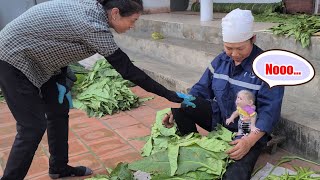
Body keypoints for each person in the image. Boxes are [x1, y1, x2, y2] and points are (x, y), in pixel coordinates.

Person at [0, 0, 194, 179]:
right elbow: (129, 71)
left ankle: (59, 167)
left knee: (58, 111)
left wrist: (61, 77)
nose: (132, 26)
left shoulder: (93, 10)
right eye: (132, 20)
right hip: (11, 58)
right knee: (32, 127)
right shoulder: (94, 27)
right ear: (116, 13)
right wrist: (170, 94)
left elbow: (58, 38)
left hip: (37, 57)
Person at [162, 8, 284, 180]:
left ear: (253, 39)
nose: (234, 54)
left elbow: (269, 112)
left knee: (235, 174)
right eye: (229, 48)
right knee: (183, 108)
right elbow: (200, 90)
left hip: (248, 130)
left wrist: (248, 142)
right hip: (219, 120)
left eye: (240, 48)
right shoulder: (220, 61)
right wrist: (184, 106)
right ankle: (191, 147)